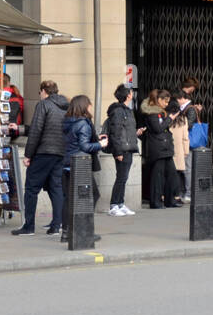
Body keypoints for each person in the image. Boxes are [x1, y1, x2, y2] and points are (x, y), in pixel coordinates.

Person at [12, 80, 69, 237]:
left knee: (31, 189)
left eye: (39, 92)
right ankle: (57, 226)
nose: (39, 95)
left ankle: (29, 226)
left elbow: (36, 130)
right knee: (56, 188)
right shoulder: (66, 106)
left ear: (44, 91)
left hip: (44, 151)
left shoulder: (44, 105)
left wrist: (28, 155)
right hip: (60, 152)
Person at [60, 94, 107, 242]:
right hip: (80, 165)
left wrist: (95, 138)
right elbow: (84, 146)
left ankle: (66, 232)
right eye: (89, 104)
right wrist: (100, 145)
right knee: (91, 196)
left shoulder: (69, 122)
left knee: (69, 199)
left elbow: (75, 141)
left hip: (67, 164)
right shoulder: (83, 124)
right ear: (84, 106)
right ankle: (84, 229)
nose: (91, 106)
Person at [103, 84, 140, 217]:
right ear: (128, 95)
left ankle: (120, 203)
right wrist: (117, 152)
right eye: (130, 92)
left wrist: (136, 133)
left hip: (128, 147)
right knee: (121, 177)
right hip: (122, 149)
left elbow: (124, 130)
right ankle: (114, 205)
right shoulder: (118, 111)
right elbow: (115, 132)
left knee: (123, 178)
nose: (132, 94)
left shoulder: (127, 110)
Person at [141, 89, 179, 208]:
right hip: (157, 148)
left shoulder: (161, 112)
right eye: (165, 102)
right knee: (157, 177)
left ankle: (170, 200)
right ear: (159, 100)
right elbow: (158, 128)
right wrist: (170, 119)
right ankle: (155, 202)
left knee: (171, 174)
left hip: (165, 148)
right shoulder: (152, 113)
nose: (167, 104)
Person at [169, 96, 190, 206]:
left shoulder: (167, 118)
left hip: (168, 149)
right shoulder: (183, 119)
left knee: (167, 174)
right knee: (177, 174)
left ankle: (165, 195)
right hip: (179, 150)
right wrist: (186, 151)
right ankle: (176, 196)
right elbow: (185, 137)